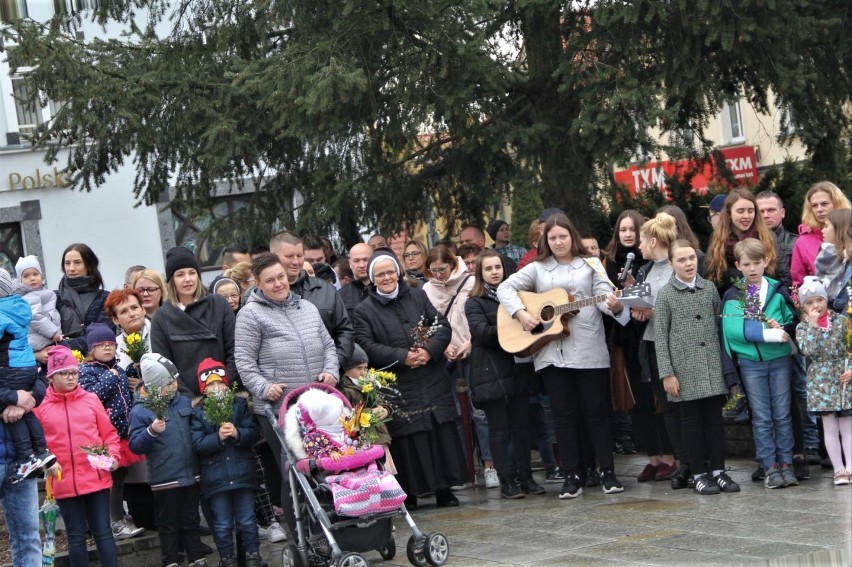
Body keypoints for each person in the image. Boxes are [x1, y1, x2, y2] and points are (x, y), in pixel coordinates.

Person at [497, 214, 629, 499]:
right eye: (552, 238)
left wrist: (616, 306)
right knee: (563, 416)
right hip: (552, 353)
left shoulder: (591, 264)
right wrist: (520, 313)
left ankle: (607, 471)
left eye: (563, 236)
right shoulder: (537, 268)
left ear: (573, 237)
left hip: (589, 349)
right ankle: (572, 475)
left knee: (597, 413)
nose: (558, 242)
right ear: (545, 240)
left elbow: (605, 300)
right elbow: (504, 288)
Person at [353, 249, 467, 509]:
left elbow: (441, 326)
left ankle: (444, 489)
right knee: (409, 437)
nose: (386, 278)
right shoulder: (364, 310)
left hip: (431, 375)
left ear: (398, 272)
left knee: (439, 431)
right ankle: (411, 493)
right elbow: (366, 345)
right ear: (372, 278)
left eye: (390, 272)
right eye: (380, 274)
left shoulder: (417, 295)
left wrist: (428, 351)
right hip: (399, 380)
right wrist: (403, 356)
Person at [235, 253, 338, 530]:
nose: (279, 283)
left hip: (316, 400)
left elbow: (328, 345)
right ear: (257, 283)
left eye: (281, 277)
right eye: (270, 280)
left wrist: (331, 371)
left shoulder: (306, 307)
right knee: (293, 469)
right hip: (279, 406)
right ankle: (300, 533)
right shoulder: (250, 315)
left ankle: (331, 522)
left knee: (324, 462)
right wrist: (264, 387)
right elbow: (244, 361)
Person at [655, 240, 739, 495]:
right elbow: (660, 336)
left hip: (711, 367)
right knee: (690, 422)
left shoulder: (709, 288)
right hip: (684, 370)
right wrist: (667, 373)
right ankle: (698, 474)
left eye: (691, 258)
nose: (689, 263)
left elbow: (717, 326)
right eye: (681, 260)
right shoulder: (666, 294)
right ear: (671, 264)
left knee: (714, 421)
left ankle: (718, 470)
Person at [720, 239, 797, 489]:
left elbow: (792, 320)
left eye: (756, 262)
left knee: (783, 415)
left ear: (766, 261)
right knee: (763, 417)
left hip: (779, 360)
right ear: (738, 266)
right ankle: (769, 467)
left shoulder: (777, 288)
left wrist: (784, 328)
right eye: (746, 264)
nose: (752, 268)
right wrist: (768, 332)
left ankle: (786, 463)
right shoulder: (735, 294)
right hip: (752, 363)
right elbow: (734, 331)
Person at [465, 249, 542, 499]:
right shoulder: (474, 301)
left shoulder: (517, 297)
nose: (494, 272)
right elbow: (481, 332)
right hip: (491, 370)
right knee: (499, 428)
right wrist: (515, 326)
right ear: (480, 273)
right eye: (488, 268)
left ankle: (526, 476)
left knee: (522, 427)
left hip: (518, 367)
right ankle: (507, 478)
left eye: (497, 267)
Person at [37, 345, 120, 566]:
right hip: (62, 482)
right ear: (52, 377)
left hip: (96, 479)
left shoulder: (91, 400)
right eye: (64, 373)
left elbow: (109, 434)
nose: (71, 377)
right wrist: (45, 462)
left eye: (74, 372)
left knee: (103, 532)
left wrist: (113, 456)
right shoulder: (40, 407)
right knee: (76, 536)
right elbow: (36, 445)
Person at [422, 245, 496, 489]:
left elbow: (479, 317)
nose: (439, 276)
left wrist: (471, 343)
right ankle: (464, 469)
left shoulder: (470, 282)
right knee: (455, 414)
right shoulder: (426, 290)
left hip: (473, 352)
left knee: (481, 412)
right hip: (446, 357)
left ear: (452, 264)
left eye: (442, 269)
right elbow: (425, 326)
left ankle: (489, 465)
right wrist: (440, 347)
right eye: (433, 271)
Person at [128, 353, 207, 567]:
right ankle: (171, 560)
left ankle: (196, 557)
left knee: (191, 520)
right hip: (165, 478)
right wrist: (151, 431)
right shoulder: (140, 411)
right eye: (168, 383)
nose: (174, 386)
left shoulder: (183, 401)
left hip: (191, 472)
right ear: (154, 386)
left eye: (174, 381)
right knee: (168, 523)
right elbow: (135, 444)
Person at [191, 358, 261, 567]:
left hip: (242, 473)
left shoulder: (239, 406)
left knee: (248, 520)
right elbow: (198, 445)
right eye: (210, 385)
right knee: (222, 524)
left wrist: (238, 433)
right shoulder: (198, 413)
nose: (216, 388)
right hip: (216, 478)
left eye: (220, 383)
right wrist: (218, 438)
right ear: (204, 389)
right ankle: (227, 559)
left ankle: (253, 557)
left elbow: (254, 433)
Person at [78, 323, 144, 538]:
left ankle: (118, 515)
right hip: (102, 437)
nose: (107, 348)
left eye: (110, 344)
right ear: (91, 349)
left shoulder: (119, 370)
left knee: (120, 477)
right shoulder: (86, 371)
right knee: (110, 479)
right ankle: (112, 521)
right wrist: (110, 378)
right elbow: (90, 397)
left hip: (122, 434)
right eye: (101, 345)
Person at [630, 213, 680, 484]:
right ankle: (674, 459)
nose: (638, 247)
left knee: (675, 403)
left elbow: (679, 307)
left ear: (652, 240)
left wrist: (651, 312)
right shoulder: (645, 270)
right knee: (662, 401)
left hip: (674, 343)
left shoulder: (675, 266)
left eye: (641, 242)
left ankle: (681, 459)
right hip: (650, 342)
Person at [151, 246, 237, 397]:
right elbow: (165, 368)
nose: (187, 279)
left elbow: (234, 350)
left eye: (192, 272)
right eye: (180, 274)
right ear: (171, 280)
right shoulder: (162, 317)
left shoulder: (218, 304)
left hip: (225, 394)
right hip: (187, 401)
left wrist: (223, 387)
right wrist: (190, 400)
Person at [0, 268, 55, 484]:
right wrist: (20, 401)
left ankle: (26, 457)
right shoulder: (19, 305)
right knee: (24, 412)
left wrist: (14, 400)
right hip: (27, 366)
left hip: (9, 368)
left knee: (8, 411)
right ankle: (41, 451)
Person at [796, 277, 852, 485]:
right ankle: (839, 469)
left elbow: (850, 347)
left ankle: (850, 466)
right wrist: (813, 326)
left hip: (843, 377)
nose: (815, 306)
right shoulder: (803, 328)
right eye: (809, 303)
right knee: (829, 426)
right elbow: (808, 351)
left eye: (818, 300)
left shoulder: (842, 321)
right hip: (820, 381)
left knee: (847, 425)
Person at [268, 231, 353, 368]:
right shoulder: (258, 295)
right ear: (273, 256)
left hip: (326, 378)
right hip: (279, 383)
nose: (296, 262)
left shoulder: (326, 290)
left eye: (300, 256)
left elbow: (345, 331)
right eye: (289, 256)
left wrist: (334, 364)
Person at [707, 188, 778, 295]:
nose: (746, 216)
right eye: (740, 211)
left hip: (767, 300)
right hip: (732, 302)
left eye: (750, 211)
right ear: (729, 213)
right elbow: (713, 279)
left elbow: (779, 273)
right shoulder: (718, 241)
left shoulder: (767, 237)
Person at [52, 243, 112, 357]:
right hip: (60, 363)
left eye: (77, 262)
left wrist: (60, 347)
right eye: (67, 263)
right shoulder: (53, 297)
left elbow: (100, 335)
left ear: (89, 265)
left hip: (95, 361)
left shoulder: (105, 298)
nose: (71, 268)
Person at [791, 181, 852, 287]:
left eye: (824, 204)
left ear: (837, 203)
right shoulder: (803, 242)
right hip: (821, 301)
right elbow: (799, 283)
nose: (819, 209)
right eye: (814, 205)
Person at [0, 417, 42, 566]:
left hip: (22, 459)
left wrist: (27, 398)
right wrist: (15, 399)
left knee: (29, 536)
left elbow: (38, 393)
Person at [13, 255, 62, 354]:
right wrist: (53, 332)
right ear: (20, 280)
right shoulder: (29, 297)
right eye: (26, 276)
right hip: (40, 342)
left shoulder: (42, 292)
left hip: (46, 339)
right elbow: (34, 317)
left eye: (35, 274)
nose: (32, 278)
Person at [815, 209, 852, 310]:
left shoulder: (849, 261)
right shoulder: (826, 257)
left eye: (826, 226)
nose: (822, 230)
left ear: (839, 229)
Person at [339, 243, 373, 318]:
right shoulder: (340, 296)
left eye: (365, 260)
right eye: (356, 261)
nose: (361, 265)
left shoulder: (384, 290)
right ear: (350, 264)